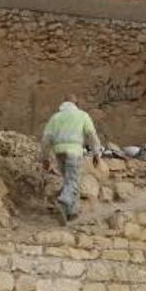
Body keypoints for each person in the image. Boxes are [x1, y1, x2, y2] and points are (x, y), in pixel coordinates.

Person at [41, 96, 101, 226]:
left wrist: (45, 158)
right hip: (74, 152)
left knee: (69, 181)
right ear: (76, 103)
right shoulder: (82, 115)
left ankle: (71, 213)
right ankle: (63, 202)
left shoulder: (55, 117)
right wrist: (96, 153)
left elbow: (46, 139)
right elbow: (91, 135)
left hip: (59, 152)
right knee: (73, 181)